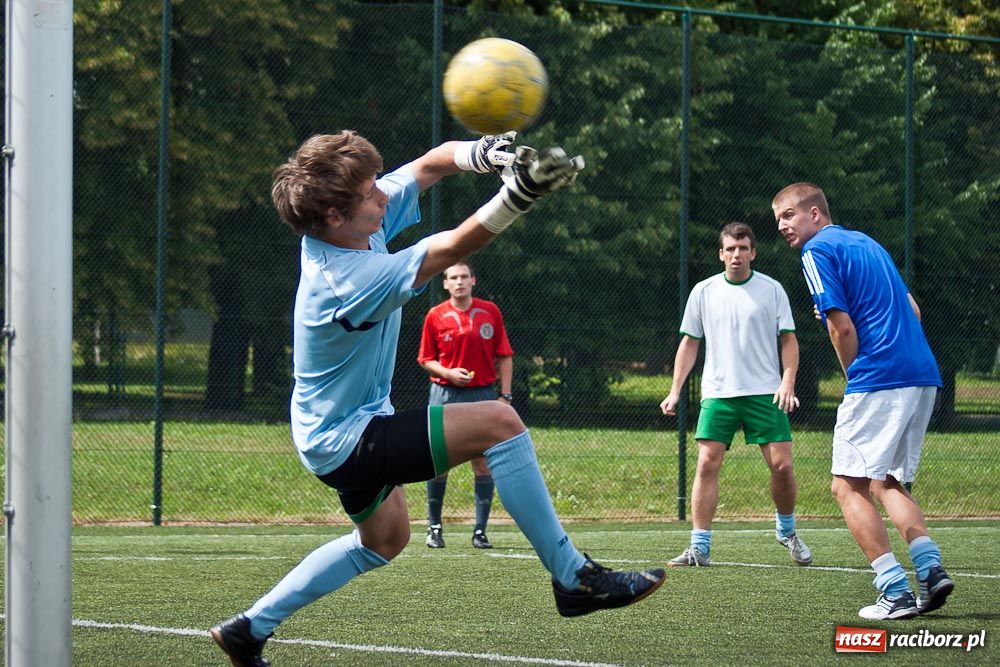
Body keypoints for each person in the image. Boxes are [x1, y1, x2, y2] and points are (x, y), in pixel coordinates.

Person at [210, 131, 665, 666]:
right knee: (502, 421)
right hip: (345, 439)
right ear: (334, 214)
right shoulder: (346, 278)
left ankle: (247, 629)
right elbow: (454, 246)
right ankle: (575, 579)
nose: (383, 196)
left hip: (336, 428)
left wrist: (483, 155)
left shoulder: (356, 222)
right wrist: (517, 193)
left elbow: (428, 163)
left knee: (383, 541)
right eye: (369, 194)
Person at [773, 182, 952, 620]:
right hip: (922, 373)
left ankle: (894, 590)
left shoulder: (815, 253)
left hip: (880, 377)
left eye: (789, 215)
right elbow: (912, 310)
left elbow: (843, 329)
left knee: (846, 485)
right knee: (888, 480)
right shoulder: (869, 243)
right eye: (778, 219)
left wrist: (854, 374)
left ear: (816, 214)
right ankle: (930, 570)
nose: (782, 225)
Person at [659, 222, 812, 568]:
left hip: (765, 393)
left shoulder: (772, 290)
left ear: (753, 252)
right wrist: (675, 391)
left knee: (782, 465)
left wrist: (787, 381)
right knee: (706, 464)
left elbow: (788, 339)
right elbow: (689, 343)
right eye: (730, 249)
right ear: (721, 254)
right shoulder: (703, 291)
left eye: (743, 248)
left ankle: (786, 530)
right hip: (718, 394)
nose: (736, 255)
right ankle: (700, 547)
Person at [419, 260, 513, 550]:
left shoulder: (490, 312)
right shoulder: (435, 315)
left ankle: (480, 531)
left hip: (482, 394)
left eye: (464, 277)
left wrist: (505, 396)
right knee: (439, 462)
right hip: (445, 395)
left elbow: (505, 355)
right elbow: (425, 359)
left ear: (473, 280)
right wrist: (447, 373)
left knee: (483, 462)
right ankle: (434, 529)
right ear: (445, 284)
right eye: (452, 278)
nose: (459, 282)